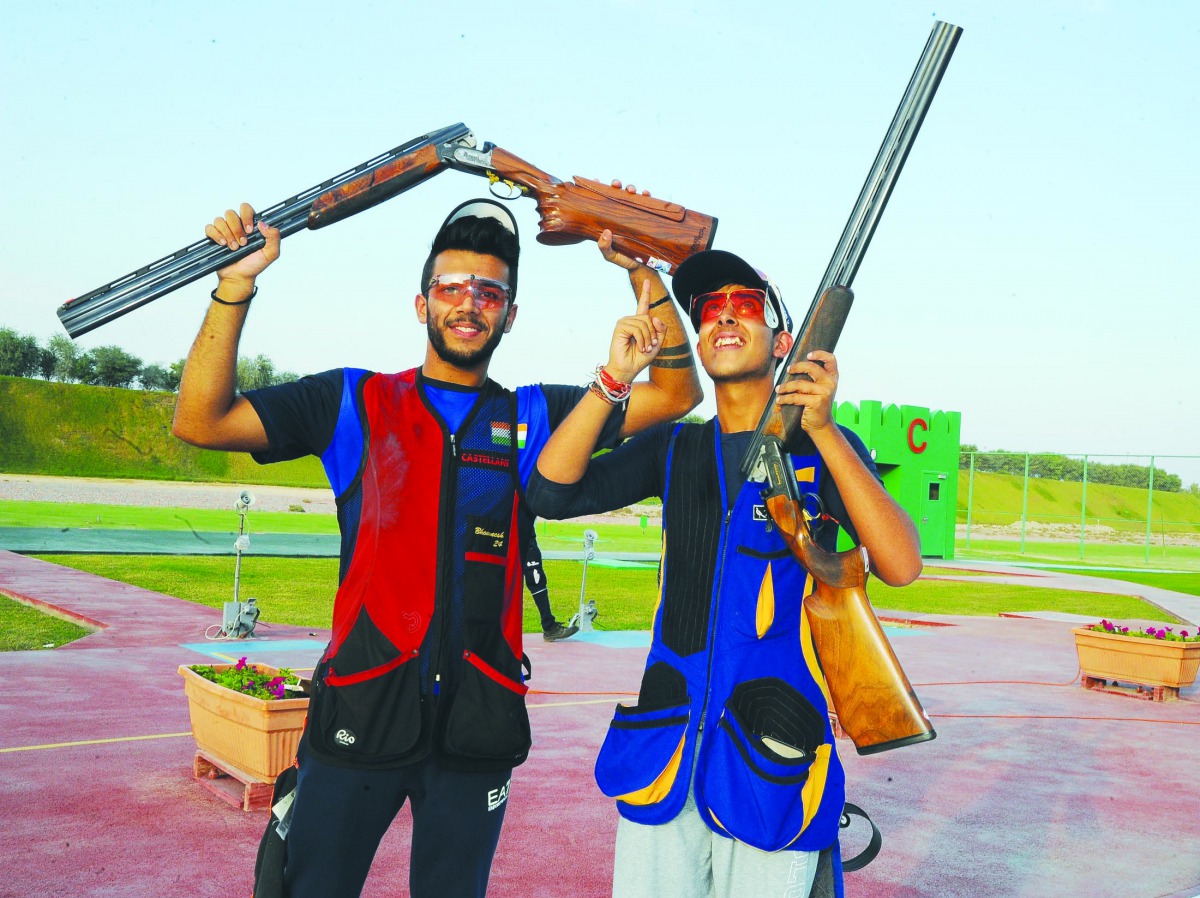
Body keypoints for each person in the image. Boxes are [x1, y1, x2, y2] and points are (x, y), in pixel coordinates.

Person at [171, 196, 701, 898]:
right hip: (360, 706)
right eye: (452, 288)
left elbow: (675, 393)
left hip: (478, 721)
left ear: (509, 316)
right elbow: (201, 420)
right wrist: (234, 287)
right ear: (421, 305)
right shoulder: (353, 403)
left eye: (490, 293)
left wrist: (642, 274)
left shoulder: (535, 415)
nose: (469, 304)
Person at [526, 249, 923, 898]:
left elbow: (902, 564)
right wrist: (612, 381)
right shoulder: (674, 447)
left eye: (746, 306)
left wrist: (822, 430)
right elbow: (549, 491)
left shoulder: (825, 444)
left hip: (772, 749)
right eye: (710, 310)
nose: (725, 319)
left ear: (784, 342)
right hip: (667, 746)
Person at [525, 532, 578, 641]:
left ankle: (549, 626)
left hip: (518, 536)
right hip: (518, 536)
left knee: (536, 579)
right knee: (535, 580)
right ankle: (549, 627)